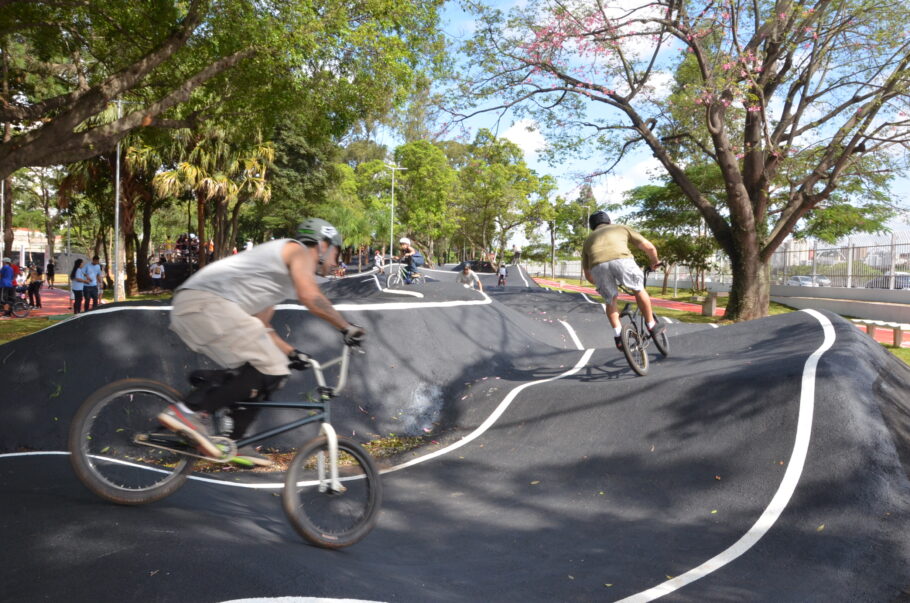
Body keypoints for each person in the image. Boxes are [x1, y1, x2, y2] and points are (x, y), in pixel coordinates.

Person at [157, 218, 366, 467]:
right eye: (337, 252)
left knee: (268, 372)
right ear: (322, 245)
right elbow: (311, 296)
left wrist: (292, 353)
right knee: (272, 366)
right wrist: (347, 327)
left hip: (195, 309)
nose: (336, 262)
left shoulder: (277, 279)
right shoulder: (297, 250)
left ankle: (233, 439)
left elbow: (262, 326)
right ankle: (189, 412)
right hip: (207, 303)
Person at [581, 210, 665, 351]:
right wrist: (655, 261)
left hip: (598, 267)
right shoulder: (620, 228)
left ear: (592, 226)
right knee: (638, 290)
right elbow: (649, 247)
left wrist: (602, 284)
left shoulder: (588, 241)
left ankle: (619, 335)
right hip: (622, 260)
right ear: (609, 222)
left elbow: (588, 274)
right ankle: (651, 325)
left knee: (610, 301)